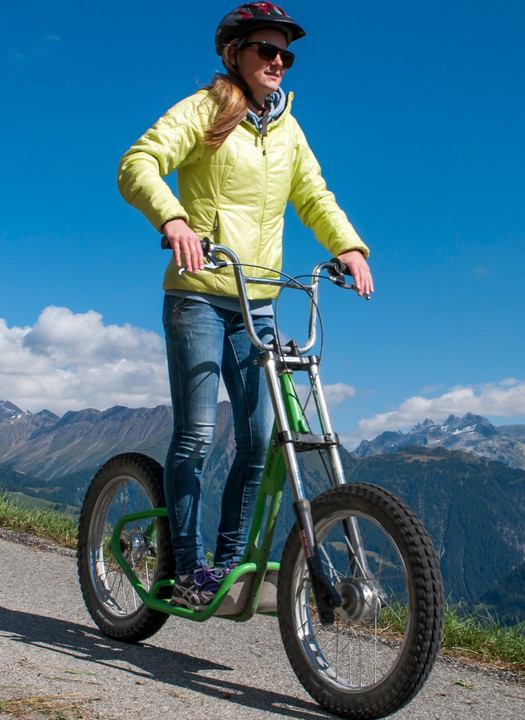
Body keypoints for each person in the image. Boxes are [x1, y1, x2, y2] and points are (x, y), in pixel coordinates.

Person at [117, 2, 374, 611]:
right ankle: (185, 566)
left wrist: (348, 246)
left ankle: (229, 568)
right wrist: (174, 218)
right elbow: (138, 163)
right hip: (200, 296)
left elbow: (313, 194)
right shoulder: (207, 109)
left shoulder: (288, 129)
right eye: (266, 49)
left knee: (261, 439)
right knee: (198, 437)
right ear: (234, 53)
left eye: (286, 53)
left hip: (258, 304)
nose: (278, 61)